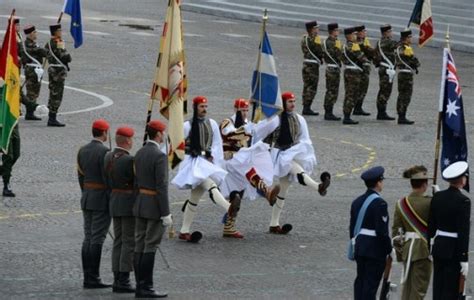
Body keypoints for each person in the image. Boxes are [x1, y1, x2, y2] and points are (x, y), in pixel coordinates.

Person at [252, 91, 330, 234]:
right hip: (276, 154)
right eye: (289, 102)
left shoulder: (299, 119)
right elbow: (260, 132)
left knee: (283, 190)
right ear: (283, 103)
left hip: (290, 153)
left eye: (294, 102)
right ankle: (318, 186)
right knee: (296, 169)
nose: (293, 104)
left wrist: (300, 151)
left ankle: (274, 224)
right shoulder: (274, 119)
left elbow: (304, 138)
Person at [172, 96, 240, 242]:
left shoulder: (212, 124)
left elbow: (216, 144)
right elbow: (177, 144)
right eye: (202, 107)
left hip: (205, 163)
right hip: (192, 163)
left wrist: (213, 157)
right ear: (195, 107)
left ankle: (184, 231)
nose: (204, 109)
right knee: (210, 185)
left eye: (206, 106)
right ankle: (228, 207)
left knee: (194, 198)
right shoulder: (187, 126)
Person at [219, 98, 280, 238]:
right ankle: (267, 192)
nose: (245, 113)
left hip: (240, 162)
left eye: (247, 110)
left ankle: (229, 226)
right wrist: (246, 130)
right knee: (248, 168)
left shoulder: (248, 124)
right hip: (229, 161)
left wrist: (272, 113)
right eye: (242, 111)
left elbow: (260, 130)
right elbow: (229, 135)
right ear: (235, 109)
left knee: (236, 196)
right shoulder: (227, 122)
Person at [133, 120, 171, 298]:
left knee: (140, 243)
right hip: (154, 206)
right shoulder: (159, 156)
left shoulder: (139, 152)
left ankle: (139, 284)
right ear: (158, 134)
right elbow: (161, 187)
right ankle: (146, 286)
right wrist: (166, 213)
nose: (164, 135)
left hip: (140, 203)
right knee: (151, 245)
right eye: (163, 132)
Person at [77, 119, 112, 289]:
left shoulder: (82, 150)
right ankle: (93, 277)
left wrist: (86, 193)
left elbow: (80, 176)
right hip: (100, 199)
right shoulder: (105, 152)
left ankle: (87, 276)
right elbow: (109, 178)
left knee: (88, 237)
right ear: (104, 133)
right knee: (97, 238)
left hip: (87, 196)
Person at [428, 161, 470, 299]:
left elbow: (431, 225)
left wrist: (430, 246)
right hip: (454, 250)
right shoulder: (463, 201)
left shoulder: (438, 196)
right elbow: (463, 232)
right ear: (462, 180)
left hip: (439, 247)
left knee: (438, 286)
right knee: (451, 289)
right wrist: (464, 257)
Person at [350, 166, 392, 300]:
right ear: (379, 182)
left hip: (360, 247)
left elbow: (352, 229)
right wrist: (389, 249)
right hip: (374, 250)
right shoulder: (380, 204)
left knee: (360, 283)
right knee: (370, 286)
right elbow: (382, 231)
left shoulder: (357, 201)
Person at [104, 126, 136, 293]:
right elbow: (136, 182)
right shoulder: (129, 160)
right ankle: (123, 279)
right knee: (128, 241)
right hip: (128, 204)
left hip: (114, 201)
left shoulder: (108, 156)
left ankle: (117, 275)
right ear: (128, 141)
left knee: (118, 240)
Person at [392, 165, 432, 300]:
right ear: (425, 184)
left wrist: (400, 255)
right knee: (418, 291)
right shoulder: (430, 202)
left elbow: (396, 234)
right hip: (423, 251)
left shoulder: (401, 203)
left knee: (407, 290)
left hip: (407, 250)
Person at [45, 24, 71, 127]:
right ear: (55, 32)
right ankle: (52, 118)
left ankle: (51, 116)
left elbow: (46, 53)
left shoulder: (48, 43)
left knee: (52, 93)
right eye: (59, 30)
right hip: (58, 72)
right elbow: (65, 57)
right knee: (57, 94)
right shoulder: (58, 42)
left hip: (52, 70)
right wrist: (68, 57)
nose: (61, 32)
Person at [341, 27, 368, 125]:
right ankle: (347, 116)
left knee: (349, 94)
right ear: (348, 36)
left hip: (349, 71)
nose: (355, 36)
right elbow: (362, 57)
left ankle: (347, 115)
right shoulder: (352, 46)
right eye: (353, 34)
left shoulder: (345, 45)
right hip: (353, 73)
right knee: (351, 94)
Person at [21, 25, 47, 120]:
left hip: (35, 70)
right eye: (35, 32)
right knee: (31, 91)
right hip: (32, 70)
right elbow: (43, 52)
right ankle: (29, 112)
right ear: (30, 34)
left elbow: (44, 52)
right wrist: (43, 49)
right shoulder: (27, 44)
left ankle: (30, 112)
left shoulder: (33, 44)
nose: (36, 33)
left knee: (35, 91)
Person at [396, 29, 420, 125]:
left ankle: (401, 114)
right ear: (406, 38)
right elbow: (415, 61)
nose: (411, 38)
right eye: (410, 37)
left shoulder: (399, 47)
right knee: (406, 95)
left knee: (401, 95)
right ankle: (402, 116)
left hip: (402, 74)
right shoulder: (405, 49)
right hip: (406, 74)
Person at [301, 20, 324, 116]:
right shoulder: (315, 39)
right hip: (313, 65)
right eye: (316, 28)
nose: (318, 30)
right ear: (312, 29)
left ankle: (305, 106)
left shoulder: (304, 38)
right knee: (312, 87)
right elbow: (319, 50)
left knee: (306, 86)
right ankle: (307, 107)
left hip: (306, 63)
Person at [375, 24, 397, 121]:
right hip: (385, 69)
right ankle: (381, 112)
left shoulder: (384, 41)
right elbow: (397, 45)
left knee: (386, 90)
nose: (391, 33)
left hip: (387, 68)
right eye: (390, 31)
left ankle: (382, 111)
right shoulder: (385, 42)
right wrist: (404, 37)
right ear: (385, 33)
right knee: (384, 91)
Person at [322, 23, 342, 121]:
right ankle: (328, 112)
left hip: (334, 68)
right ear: (333, 31)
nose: (338, 32)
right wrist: (339, 48)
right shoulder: (330, 42)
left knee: (333, 90)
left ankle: (329, 111)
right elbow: (339, 55)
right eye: (337, 30)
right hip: (332, 69)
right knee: (331, 90)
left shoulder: (333, 41)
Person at [353, 25, 374, 116]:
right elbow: (369, 52)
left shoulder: (364, 41)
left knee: (363, 89)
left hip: (365, 69)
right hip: (358, 69)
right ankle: (355, 107)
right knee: (357, 89)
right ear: (358, 33)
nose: (365, 33)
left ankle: (358, 107)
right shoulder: (356, 43)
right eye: (363, 31)